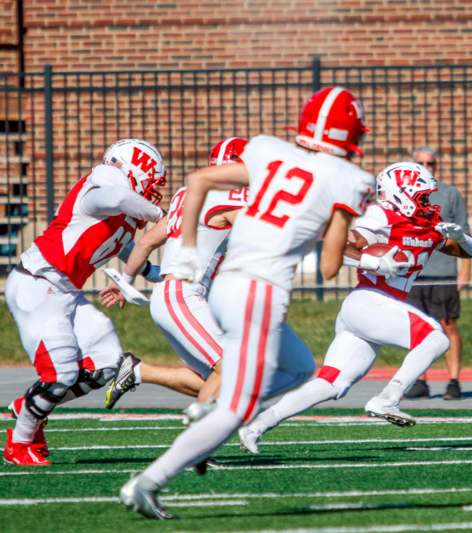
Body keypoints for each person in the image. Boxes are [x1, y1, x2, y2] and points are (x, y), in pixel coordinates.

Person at [119, 85, 376, 520]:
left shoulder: (268, 151)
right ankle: (146, 483)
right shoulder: (350, 180)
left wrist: (184, 249)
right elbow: (331, 266)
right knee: (237, 408)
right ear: (352, 135)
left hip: (227, 286)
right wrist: (345, 226)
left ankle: (210, 406)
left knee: (299, 367)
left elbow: (199, 180)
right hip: (260, 291)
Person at [238, 161, 472, 452]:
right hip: (370, 300)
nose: (429, 203)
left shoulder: (426, 225)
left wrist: (460, 236)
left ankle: (257, 425)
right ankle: (387, 399)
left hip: (374, 310)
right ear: (402, 194)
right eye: (423, 197)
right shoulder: (383, 214)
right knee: (435, 338)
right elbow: (337, 245)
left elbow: (471, 252)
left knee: (332, 383)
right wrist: (373, 261)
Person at [101, 137, 315, 410]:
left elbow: (146, 243)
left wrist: (126, 282)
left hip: (175, 297)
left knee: (214, 379)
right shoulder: (228, 195)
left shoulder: (186, 194)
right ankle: (196, 446)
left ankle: (138, 371)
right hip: (184, 297)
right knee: (233, 372)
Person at [2, 139, 166, 466]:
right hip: (39, 283)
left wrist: (151, 271)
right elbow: (117, 197)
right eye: (151, 182)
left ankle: (29, 406)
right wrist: (163, 215)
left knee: (106, 362)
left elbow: (116, 241)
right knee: (60, 373)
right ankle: (19, 443)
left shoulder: (123, 207)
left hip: (63, 289)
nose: (153, 190)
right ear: (132, 171)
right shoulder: (105, 183)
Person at [404, 146, 472, 400]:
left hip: (442, 272)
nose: (425, 167)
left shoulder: (449, 194)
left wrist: (465, 270)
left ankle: (453, 381)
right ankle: (419, 381)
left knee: (448, 325)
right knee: (418, 329)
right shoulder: (405, 196)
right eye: (420, 163)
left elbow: (465, 233)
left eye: (430, 163)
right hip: (413, 273)